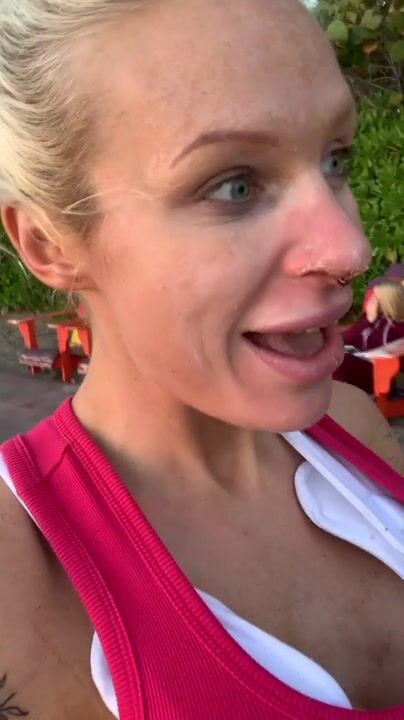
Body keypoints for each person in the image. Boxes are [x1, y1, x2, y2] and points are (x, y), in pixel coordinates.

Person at [0, 1, 403, 718]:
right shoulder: (19, 569)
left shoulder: (352, 424)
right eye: (234, 186)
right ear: (50, 244)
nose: (350, 250)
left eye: (334, 159)